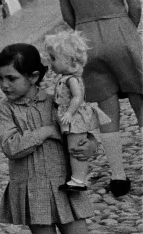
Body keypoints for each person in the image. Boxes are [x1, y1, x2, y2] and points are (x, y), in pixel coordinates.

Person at [0, 44, 94, 234]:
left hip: (66, 188)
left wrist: (89, 148)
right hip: (31, 190)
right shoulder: (3, 111)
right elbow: (11, 146)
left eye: (11, 78)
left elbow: (83, 129)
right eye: (0, 78)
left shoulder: (58, 101)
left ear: (34, 76)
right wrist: (47, 131)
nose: (4, 85)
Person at [54, 0, 142, 197]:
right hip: (121, 31)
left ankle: (118, 176)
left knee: (106, 113)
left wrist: (85, 32)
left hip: (87, 40)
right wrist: (127, 29)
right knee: (141, 100)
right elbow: (136, 4)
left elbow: (67, 15)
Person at [43, 30, 110, 192]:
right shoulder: (65, 78)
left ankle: (78, 179)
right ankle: (76, 177)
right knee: (73, 146)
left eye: (54, 59)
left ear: (70, 61)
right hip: (68, 117)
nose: (50, 63)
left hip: (75, 119)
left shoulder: (72, 79)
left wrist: (69, 113)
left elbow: (77, 97)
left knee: (77, 148)